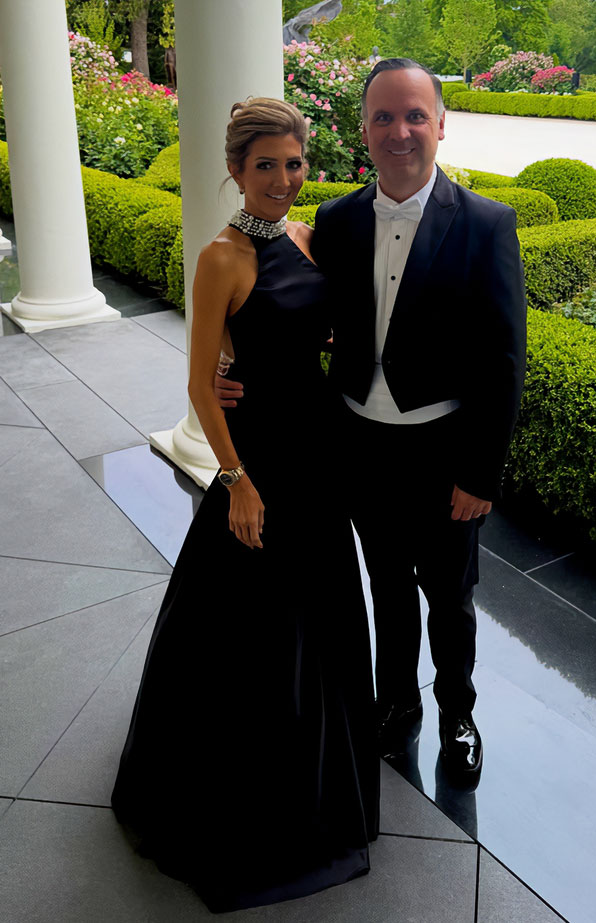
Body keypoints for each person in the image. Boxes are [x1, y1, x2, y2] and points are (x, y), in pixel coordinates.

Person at [217, 60, 527, 785]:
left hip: (444, 452)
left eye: (415, 115)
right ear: (364, 129)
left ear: (441, 124)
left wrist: (481, 474)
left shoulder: (486, 224)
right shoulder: (337, 220)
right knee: (385, 586)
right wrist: (231, 370)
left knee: (449, 598)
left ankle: (456, 710)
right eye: (384, 117)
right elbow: (284, 308)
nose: (400, 131)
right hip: (356, 446)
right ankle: (397, 704)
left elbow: (504, 361)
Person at [111, 97, 379, 914]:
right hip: (260, 459)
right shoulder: (221, 256)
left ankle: (326, 771)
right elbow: (199, 383)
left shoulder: (307, 235)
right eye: (265, 166)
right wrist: (237, 481)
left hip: (319, 449)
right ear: (235, 171)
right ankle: (247, 795)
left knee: (322, 613)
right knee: (252, 629)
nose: (284, 180)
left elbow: (312, 333)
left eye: (294, 164)